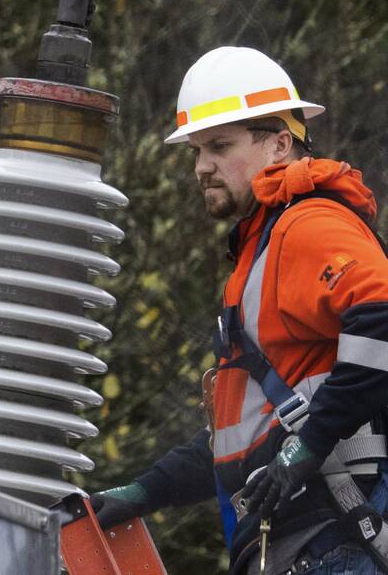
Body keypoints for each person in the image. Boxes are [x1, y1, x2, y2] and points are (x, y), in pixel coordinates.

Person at [87, 47, 388, 574]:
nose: (202, 166)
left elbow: (383, 315)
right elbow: (246, 442)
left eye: (219, 146)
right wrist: (146, 491)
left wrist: (308, 447)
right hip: (307, 547)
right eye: (197, 151)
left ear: (279, 144)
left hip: (332, 541)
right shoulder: (260, 252)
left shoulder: (305, 225)